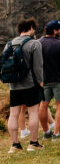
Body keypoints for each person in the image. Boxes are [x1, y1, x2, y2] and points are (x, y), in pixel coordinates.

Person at [4, 18, 44, 152]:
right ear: (31, 28)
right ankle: (33, 143)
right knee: (33, 112)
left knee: (13, 114)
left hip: (13, 85)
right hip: (30, 84)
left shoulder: (9, 44)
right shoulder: (34, 44)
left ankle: (14, 145)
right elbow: (38, 67)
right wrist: (41, 81)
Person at [38, 20, 60, 139]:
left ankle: (46, 132)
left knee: (43, 105)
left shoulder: (37, 43)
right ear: (54, 31)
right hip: (59, 80)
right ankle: (56, 133)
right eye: (59, 29)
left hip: (44, 80)